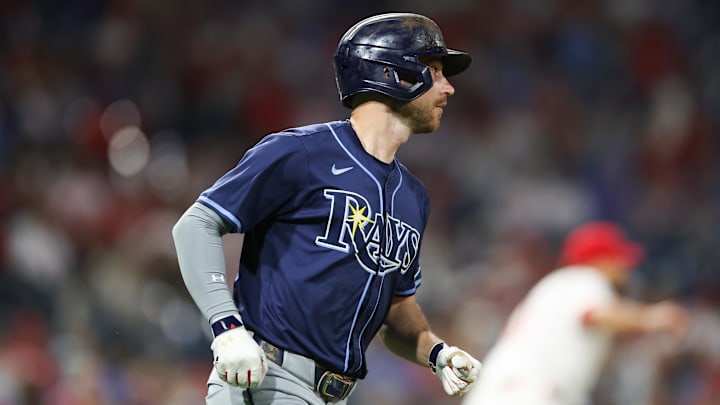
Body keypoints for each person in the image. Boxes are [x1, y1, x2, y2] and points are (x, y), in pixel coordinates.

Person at [172, 12, 482, 405]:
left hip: (336, 396)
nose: (448, 88)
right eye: (434, 70)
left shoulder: (413, 197)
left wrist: (438, 353)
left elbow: (396, 306)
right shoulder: (302, 152)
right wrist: (227, 327)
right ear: (392, 74)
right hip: (269, 379)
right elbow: (197, 224)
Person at [461, 220, 689, 405]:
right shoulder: (584, 279)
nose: (625, 267)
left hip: (506, 392)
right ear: (600, 260)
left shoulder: (557, 287)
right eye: (618, 258)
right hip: (530, 393)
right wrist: (653, 317)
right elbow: (598, 314)